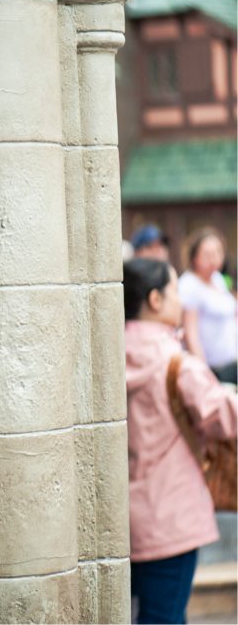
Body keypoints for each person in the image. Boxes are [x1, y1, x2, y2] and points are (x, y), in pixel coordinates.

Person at [123, 258, 237, 624]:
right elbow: (225, 415)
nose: (179, 300)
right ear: (155, 300)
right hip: (170, 521)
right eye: (173, 291)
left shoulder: (104, 355)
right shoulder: (176, 364)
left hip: (118, 520)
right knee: (166, 616)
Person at [178, 228, 237, 384]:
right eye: (207, 254)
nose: (214, 259)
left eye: (218, 252)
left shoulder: (217, 279)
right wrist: (204, 375)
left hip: (230, 363)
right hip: (212, 370)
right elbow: (191, 333)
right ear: (195, 257)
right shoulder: (189, 285)